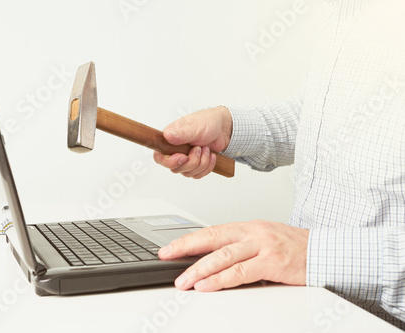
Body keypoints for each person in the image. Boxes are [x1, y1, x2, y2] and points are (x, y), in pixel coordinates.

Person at [154, 0, 405, 329]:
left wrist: (310, 254)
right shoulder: (349, 14)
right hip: (303, 303)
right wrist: (229, 129)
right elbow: (327, 122)